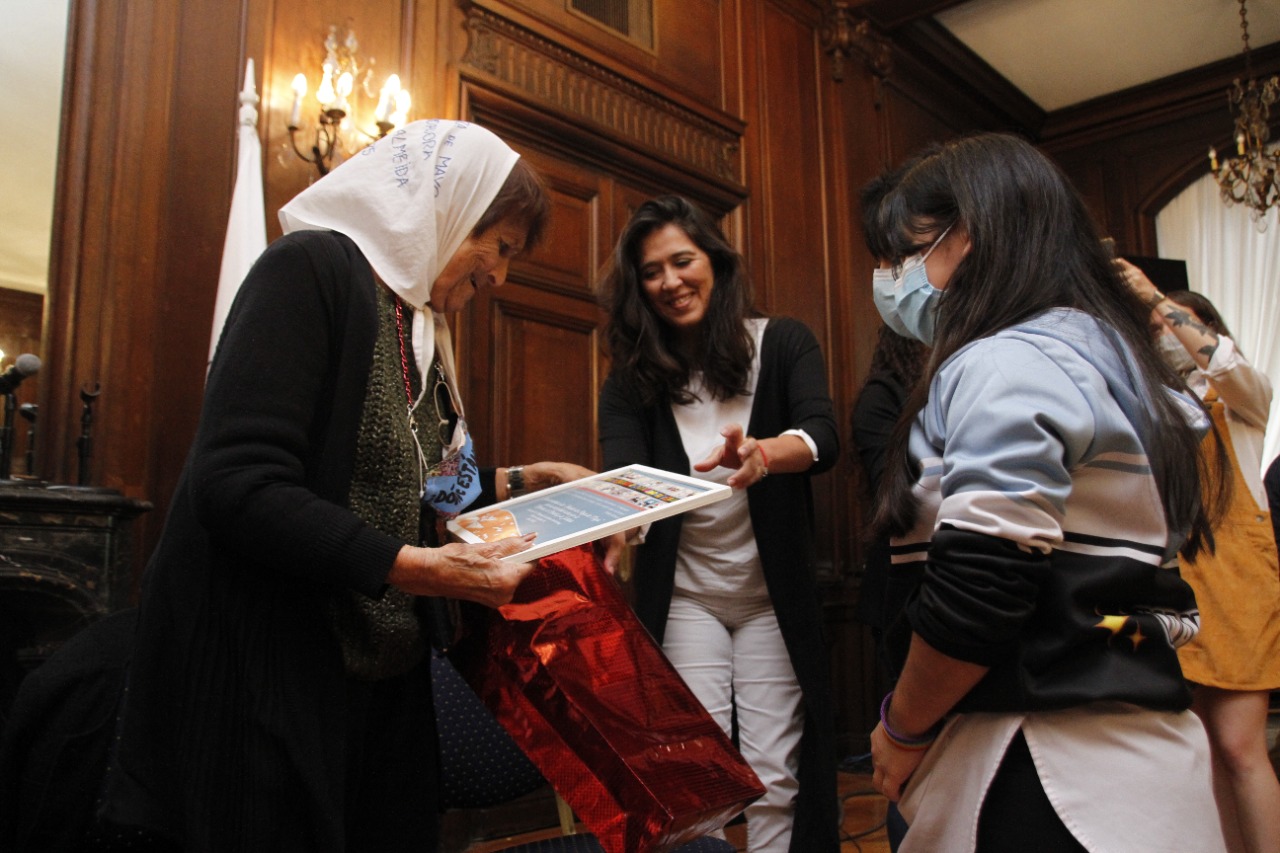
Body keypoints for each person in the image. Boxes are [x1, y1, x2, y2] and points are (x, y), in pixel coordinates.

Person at [95, 119, 599, 851]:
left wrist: (526, 478)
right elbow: (238, 484)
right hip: (274, 676)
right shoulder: (310, 271)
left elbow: (412, 488)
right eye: (501, 248)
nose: (501, 277)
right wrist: (413, 569)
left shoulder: (419, 323)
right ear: (448, 208)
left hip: (380, 685)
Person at [863, 132, 1231, 852]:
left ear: (967, 235)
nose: (896, 279)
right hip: (1145, 756)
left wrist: (902, 725)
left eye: (908, 253)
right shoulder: (1118, 360)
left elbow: (983, 582)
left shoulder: (1006, 361)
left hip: (1042, 767)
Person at [597, 195, 840, 853]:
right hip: (688, 599)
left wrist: (762, 454)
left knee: (774, 774)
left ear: (715, 262)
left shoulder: (783, 343)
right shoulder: (630, 383)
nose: (671, 281)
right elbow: (623, 482)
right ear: (638, 289)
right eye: (652, 272)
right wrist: (617, 529)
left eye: (683, 260)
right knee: (695, 777)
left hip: (770, 601)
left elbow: (822, 437)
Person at [1114, 265, 1280, 853]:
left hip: (1238, 580)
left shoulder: (1243, 404)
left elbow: (1230, 369)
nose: (1164, 333)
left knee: (1240, 747)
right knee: (1201, 750)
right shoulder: (1151, 403)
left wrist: (1154, 298)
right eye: (1154, 326)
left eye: (1175, 325)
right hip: (1173, 579)